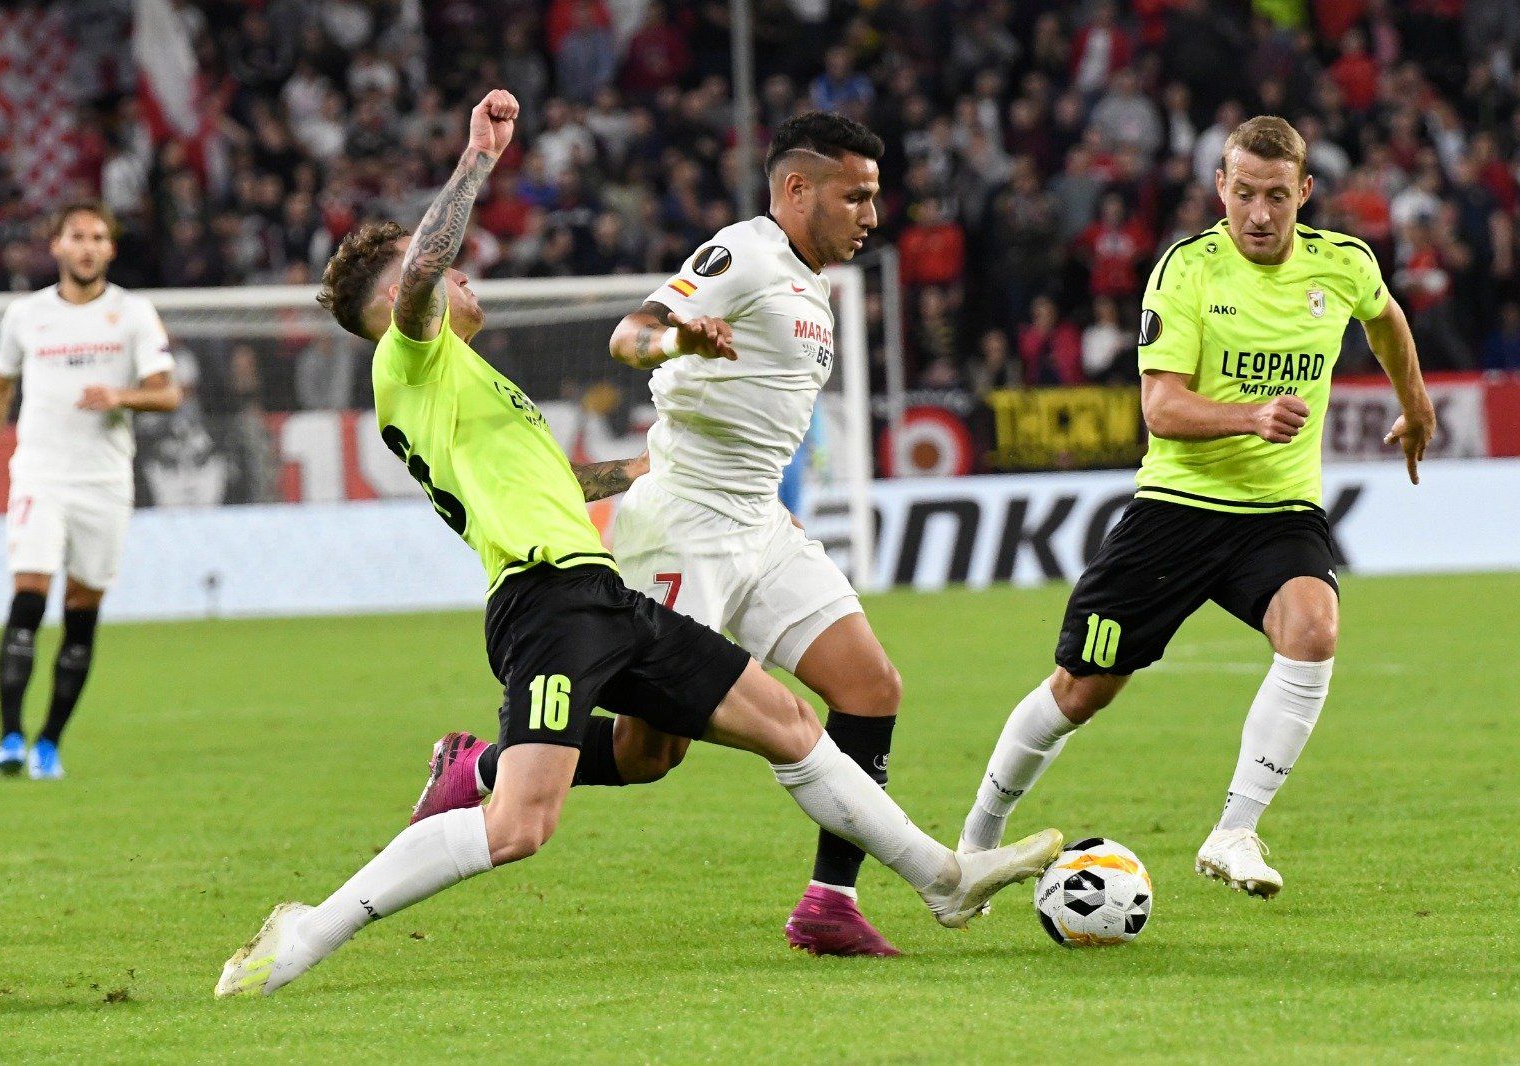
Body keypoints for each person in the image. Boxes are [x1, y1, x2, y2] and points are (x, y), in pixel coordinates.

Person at [215, 92, 1062, 998]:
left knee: (793, 724)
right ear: (401, 297)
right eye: (449, 276)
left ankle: (941, 879)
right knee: (520, 826)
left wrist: (660, 474)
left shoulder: (471, 388)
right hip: (546, 603)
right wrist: (477, 162)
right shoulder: (411, 357)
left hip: (599, 593)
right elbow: (429, 271)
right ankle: (310, 931)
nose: (466, 282)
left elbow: (568, 486)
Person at [413, 113, 915, 958]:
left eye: (874, 196)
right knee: (652, 753)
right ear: (796, 189)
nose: (871, 215)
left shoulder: (810, 278)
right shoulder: (745, 253)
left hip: (761, 523)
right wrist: (685, 334)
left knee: (871, 688)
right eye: (854, 196)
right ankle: (481, 770)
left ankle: (830, 900)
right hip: (684, 528)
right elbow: (630, 335)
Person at [957, 116, 1437, 899]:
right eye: (1243, 192)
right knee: (1081, 688)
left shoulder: (1342, 264)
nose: (1258, 212)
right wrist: (1250, 416)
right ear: (1220, 188)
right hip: (1179, 506)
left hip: (1279, 510)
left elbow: (1386, 319)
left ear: (1304, 194)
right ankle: (974, 843)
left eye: (1276, 196)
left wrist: (1414, 407)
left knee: (1313, 628)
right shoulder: (1187, 271)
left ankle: (1234, 830)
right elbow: (1162, 408)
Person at [0, 201, 182, 780]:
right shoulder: (26, 316)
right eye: (77, 236)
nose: (87, 246)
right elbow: (0, 389)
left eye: (98, 237)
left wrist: (118, 397)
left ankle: (50, 740)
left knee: (82, 611)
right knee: (28, 594)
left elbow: (167, 393)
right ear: (56, 246)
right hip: (40, 475)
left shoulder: (132, 314)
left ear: (110, 250)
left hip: (103, 482)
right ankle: (9, 738)